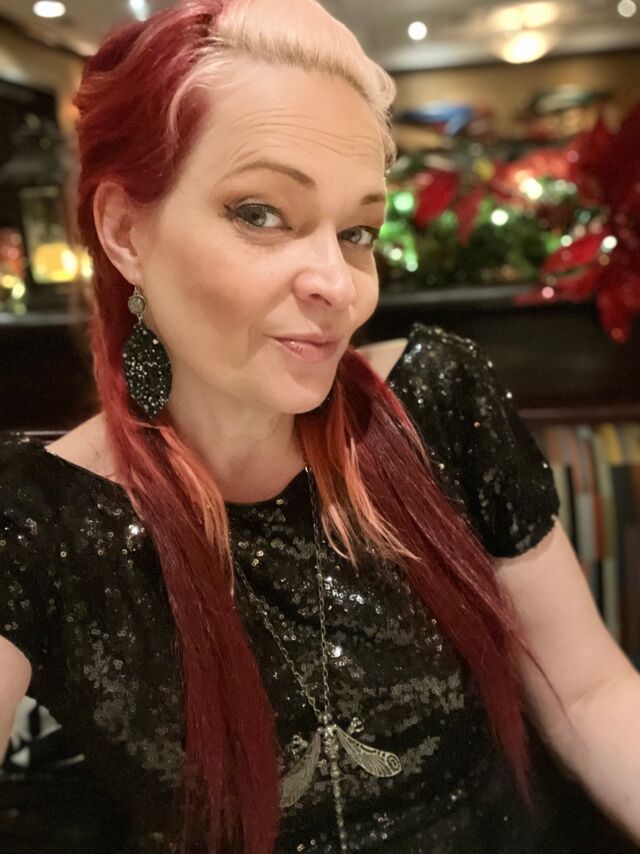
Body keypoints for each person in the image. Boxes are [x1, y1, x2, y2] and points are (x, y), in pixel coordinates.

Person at [0, 0, 639, 852]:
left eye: (358, 230)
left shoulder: (433, 402)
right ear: (125, 232)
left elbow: (590, 693)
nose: (338, 285)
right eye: (260, 213)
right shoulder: (37, 521)